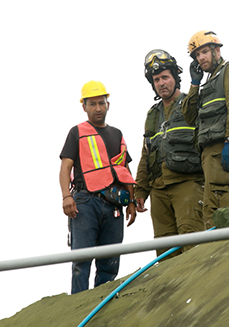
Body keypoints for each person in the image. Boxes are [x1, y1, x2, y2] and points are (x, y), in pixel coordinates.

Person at [59, 80, 137, 294]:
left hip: (113, 206)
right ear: (84, 106)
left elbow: (125, 170)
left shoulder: (117, 134)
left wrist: (131, 201)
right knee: (80, 261)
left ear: (108, 104)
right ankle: (79, 308)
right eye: (92, 104)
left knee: (110, 263)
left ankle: (102, 307)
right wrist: (67, 197)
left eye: (101, 103)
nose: (98, 108)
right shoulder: (77, 132)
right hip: (85, 202)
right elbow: (65, 167)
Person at [134, 49, 205, 260]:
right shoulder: (152, 114)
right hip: (158, 190)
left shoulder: (191, 104)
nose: (161, 83)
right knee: (165, 253)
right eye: (156, 80)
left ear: (175, 77)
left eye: (165, 77)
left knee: (192, 242)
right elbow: (146, 154)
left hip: (187, 184)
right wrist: (140, 191)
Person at [182, 30, 229, 229]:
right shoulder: (207, 82)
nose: (201, 58)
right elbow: (189, 116)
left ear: (216, 50)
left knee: (216, 208)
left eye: (204, 52)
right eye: (197, 55)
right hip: (209, 152)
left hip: (223, 147)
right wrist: (195, 84)